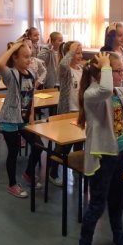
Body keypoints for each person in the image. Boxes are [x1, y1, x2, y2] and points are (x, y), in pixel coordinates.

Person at [76, 51, 123, 245]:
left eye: (122, 70)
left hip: (119, 152)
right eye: (117, 71)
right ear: (103, 73)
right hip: (103, 156)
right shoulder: (93, 93)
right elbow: (105, 89)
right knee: (97, 204)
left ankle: (118, 235)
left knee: (117, 200)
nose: (122, 74)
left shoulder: (116, 91)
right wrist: (106, 67)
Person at [0, 41, 44, 198]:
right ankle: (12, 185)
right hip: (9, 119)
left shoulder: (31, 74)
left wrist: (32, 117)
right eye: (25, 57)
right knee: (13, 152)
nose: (29, 60)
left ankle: (28, 174)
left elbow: (31, 96)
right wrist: (13, 47)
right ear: (15, 58)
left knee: (38, 145)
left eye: (30, 56)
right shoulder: (11, 75)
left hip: (24, 119)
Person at [49, 40, 83, 186]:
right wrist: (71, 51)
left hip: (80, 111)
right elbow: (63, 64)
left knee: (79, 143)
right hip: (67, 111)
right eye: (76, 53)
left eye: (80, 53)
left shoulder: (81, 69)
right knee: (64, 145)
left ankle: (76, 168)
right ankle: (53, 172)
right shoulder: (65, 70)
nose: (79, 56)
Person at [101, 22, 123, 90]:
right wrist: (111, 33)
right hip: (112, 88)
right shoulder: (107, 51)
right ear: (112, 36)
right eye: (119, 35)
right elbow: (108, 47)